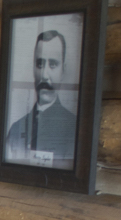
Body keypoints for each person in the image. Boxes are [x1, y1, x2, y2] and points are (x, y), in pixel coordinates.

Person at [5, 28, 76, 169]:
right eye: (40, 64)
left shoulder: (73, 128)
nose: (44, 75)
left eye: (53, 64)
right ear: (33, 69)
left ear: (63, 71)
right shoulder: (15, 129)